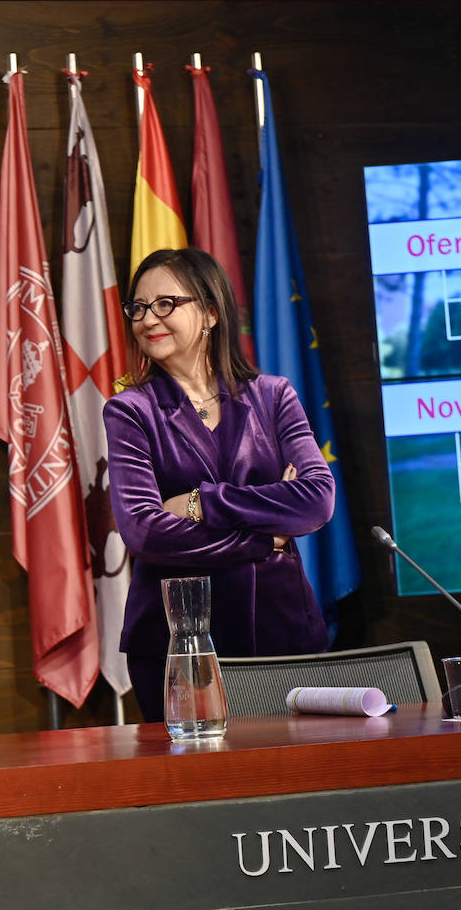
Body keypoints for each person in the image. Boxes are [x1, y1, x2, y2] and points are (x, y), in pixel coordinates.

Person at [102, 247, 335, 721]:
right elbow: (145, 531)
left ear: (210, 312)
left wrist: (199, 502)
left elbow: (316, 500)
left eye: (166, 304)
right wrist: (264, 536)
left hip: (282, 626)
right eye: (139, 308)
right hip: (179, 641)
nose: (148, 319)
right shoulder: (129, 411)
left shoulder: (274, 396)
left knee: (298, 779)